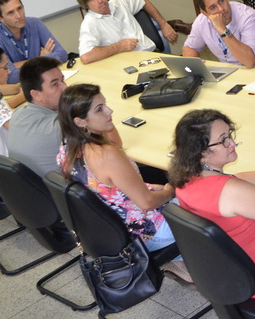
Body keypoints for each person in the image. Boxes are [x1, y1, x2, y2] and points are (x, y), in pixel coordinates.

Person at [170, 109, 255, 299]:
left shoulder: (186, 179)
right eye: (224, 139)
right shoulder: (232, 191)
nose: (232, 143)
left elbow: (238, 179)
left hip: (239, 270)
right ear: (202, 152)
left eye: (230, 135)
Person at [57, 84, 179, 259]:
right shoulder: (106, 155)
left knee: (163, 187)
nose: (110, 111)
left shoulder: (67, 147)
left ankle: (177, 261)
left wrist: (150, 187)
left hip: (114, 228)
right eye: (100, 109)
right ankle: (184, 260)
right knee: (201, 203)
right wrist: (170, 190)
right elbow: (147, 202)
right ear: (80, 121)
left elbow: (108, 187)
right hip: (146, 233)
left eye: (105, 104)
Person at [182, 0, 255, 70]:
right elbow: (190, 48)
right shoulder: (201, 21)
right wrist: (197, 67)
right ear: (205, 13)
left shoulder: (248, 16)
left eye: (221, 1)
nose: (221, 9)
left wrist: (223, 30)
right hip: (230, 74)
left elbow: (250, 61)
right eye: (213, 7)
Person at [0, 0, 68, 84]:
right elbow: (10, 77)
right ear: (0, 18)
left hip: (43, 81)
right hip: (19, 88)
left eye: (19, 8)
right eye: (11, 13)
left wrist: (19, 65)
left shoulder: (35, 23)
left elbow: (62, 54)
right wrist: (41, 60)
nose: (19, 16)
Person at [7, 57, 67, 176]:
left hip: (33, 190)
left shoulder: (17, 115)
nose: (65, 87)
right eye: (55, 84)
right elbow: (110, 144)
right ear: (36, 94)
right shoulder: (59, 127)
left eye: (62, 80)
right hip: (61, 191)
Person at [75, 0, 156, 64]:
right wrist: (119, 46)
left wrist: (164, 25)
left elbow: (142, 0)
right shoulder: (90, 23)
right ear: (85, 5)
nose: (100, 1)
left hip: (151, 53)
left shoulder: (117, 3)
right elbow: (86, 57)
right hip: (130, 63)